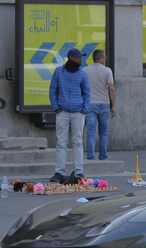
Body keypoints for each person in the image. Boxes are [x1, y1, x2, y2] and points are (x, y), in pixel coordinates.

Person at [49, 48, 90, 182]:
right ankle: (59, 172)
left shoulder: (82, 74)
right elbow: (53, 90)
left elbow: (87, 93)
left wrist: (85, 109)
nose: (81, 60)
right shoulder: (58, 72)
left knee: (77, 141)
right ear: (71, 58)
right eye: (78, 57)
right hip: (63, 112)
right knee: (61, 142)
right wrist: (56, 108)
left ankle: (79, 171)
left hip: (78, 112)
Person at [84, 49, 116, 161]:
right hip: (104, 104)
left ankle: (90, 157)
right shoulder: (107, 71)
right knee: (103, 133)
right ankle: (103, 157)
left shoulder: (85, 70)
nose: (105, 59)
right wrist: (114, 106)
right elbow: (111, 89)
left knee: (90, 132)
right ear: (100, 58)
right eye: (105, 57)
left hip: (90, 104)